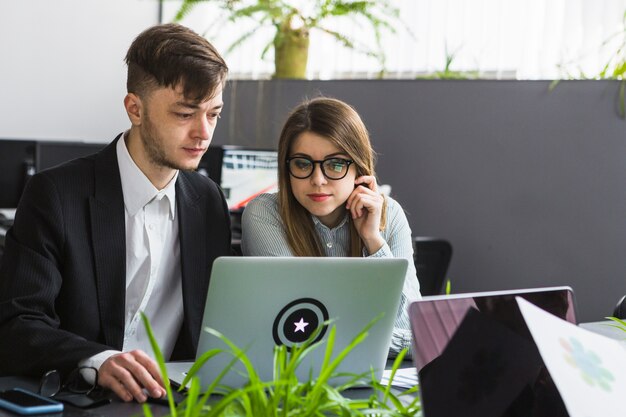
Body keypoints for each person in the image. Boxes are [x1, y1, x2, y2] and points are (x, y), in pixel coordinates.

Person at [0, 23, 231, 403]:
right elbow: (17, 324)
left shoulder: (207, 201)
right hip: (83, 399)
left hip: (172, 401)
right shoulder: (56, 194)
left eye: (214, 114)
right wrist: (98, 360)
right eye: (185, 114)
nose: (203, 133)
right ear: (134, 109)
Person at [241, 97, 421, 356]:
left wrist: (372, 240)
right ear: (286, 167)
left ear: (358, 168)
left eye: (335, 164)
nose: (318, 180)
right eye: (302, 164)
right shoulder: (265, 214)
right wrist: (372, 336)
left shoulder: (389, 213)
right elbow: (299, 332)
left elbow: (415, 334)